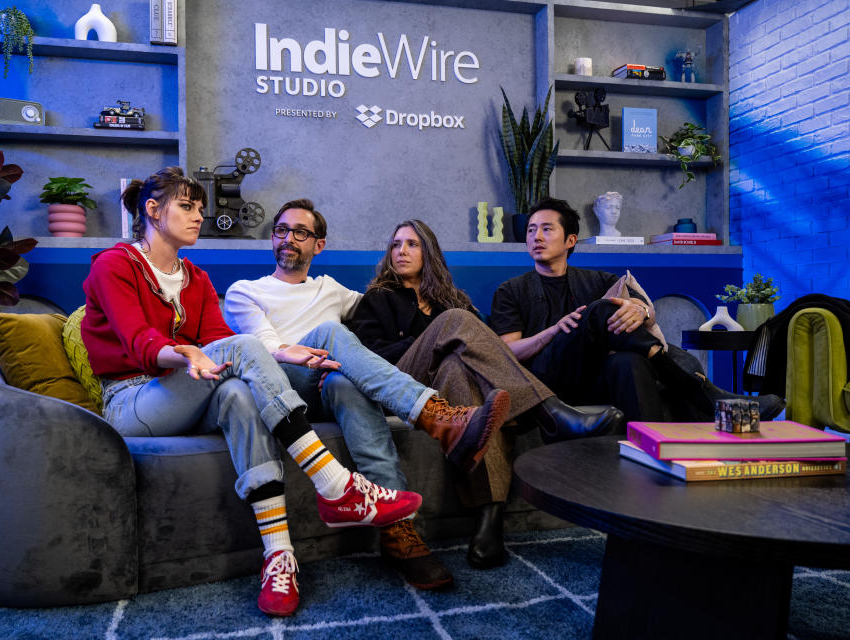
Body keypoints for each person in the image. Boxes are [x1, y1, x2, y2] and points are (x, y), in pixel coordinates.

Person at [81, 168, 424, 618]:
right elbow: (136, 341)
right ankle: (334, 482)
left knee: (239, 394)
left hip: (185, 393)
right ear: (152, 210)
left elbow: (222, 343)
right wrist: (187, 354)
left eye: (200, 209)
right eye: (187, 207)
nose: (197, 217)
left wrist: (275, 355)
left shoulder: (197, 279)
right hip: (133, 398)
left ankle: (279, 556)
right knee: (242, 351)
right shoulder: (115, 264)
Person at [224, 199, 512, 590]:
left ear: (318, 245)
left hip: (328, 384)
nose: (288, 238)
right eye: (281, 230)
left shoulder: (331, 290)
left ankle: (399, 534)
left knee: (347, 381)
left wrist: (453, 312)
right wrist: (313, 353)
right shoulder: (245, 291)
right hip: (278, 385)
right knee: (331, 333)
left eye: (300, 232)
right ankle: (436, 416)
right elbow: (264, 350)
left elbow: (393, 304)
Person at [349, 219, 623, 568]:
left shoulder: (452, 299)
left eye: (412, 244)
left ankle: (489, 524)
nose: (401, 251)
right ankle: (550, 412)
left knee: (463, 378)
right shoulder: (377, 299)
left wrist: (446, 348)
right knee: (454, 323)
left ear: (428, 252)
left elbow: (489, 352)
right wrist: (430, 340)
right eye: (396, 245)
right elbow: (368, 358)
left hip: (443, 390)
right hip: (403, 382)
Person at [490, 197, 785, 422]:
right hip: (547, 380)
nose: (536, 237)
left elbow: (645, 311)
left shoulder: (598, 280)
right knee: (597, 311)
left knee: (629, 360)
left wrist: (642, 311)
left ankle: (652, 454)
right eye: (531, 231)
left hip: (594, 378)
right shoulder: (511, 290)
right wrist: (554, 330)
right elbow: (506, 353)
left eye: (546, 229)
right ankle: (705, 391)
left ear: (570, 240)